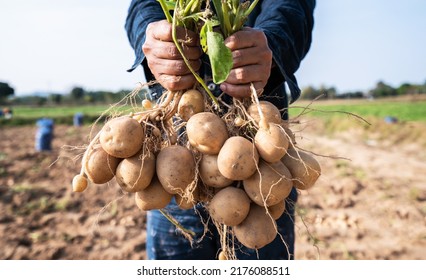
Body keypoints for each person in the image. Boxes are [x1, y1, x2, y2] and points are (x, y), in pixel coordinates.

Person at [125, 0, 315, 260]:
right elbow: (143, 6)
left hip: (258, 161)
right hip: (174, 159)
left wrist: (272, 42)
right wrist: (152, 33)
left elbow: (292, 8)